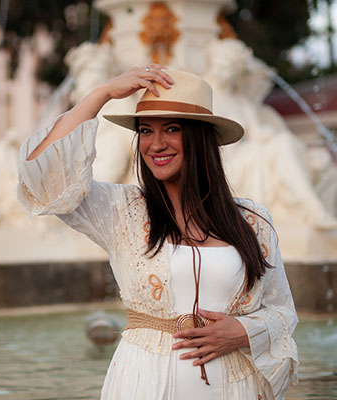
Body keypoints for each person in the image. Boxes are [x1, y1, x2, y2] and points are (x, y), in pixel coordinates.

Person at [17, 65, 298, 400]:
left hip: (234, 387)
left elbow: (282, 311)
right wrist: (102, 94)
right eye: (146, 131)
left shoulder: (252, 221)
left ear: (198, 136)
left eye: (172, 128)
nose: (156, 143)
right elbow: (39, 173)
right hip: (143, 382)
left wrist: (244, 331)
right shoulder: (120, 210)